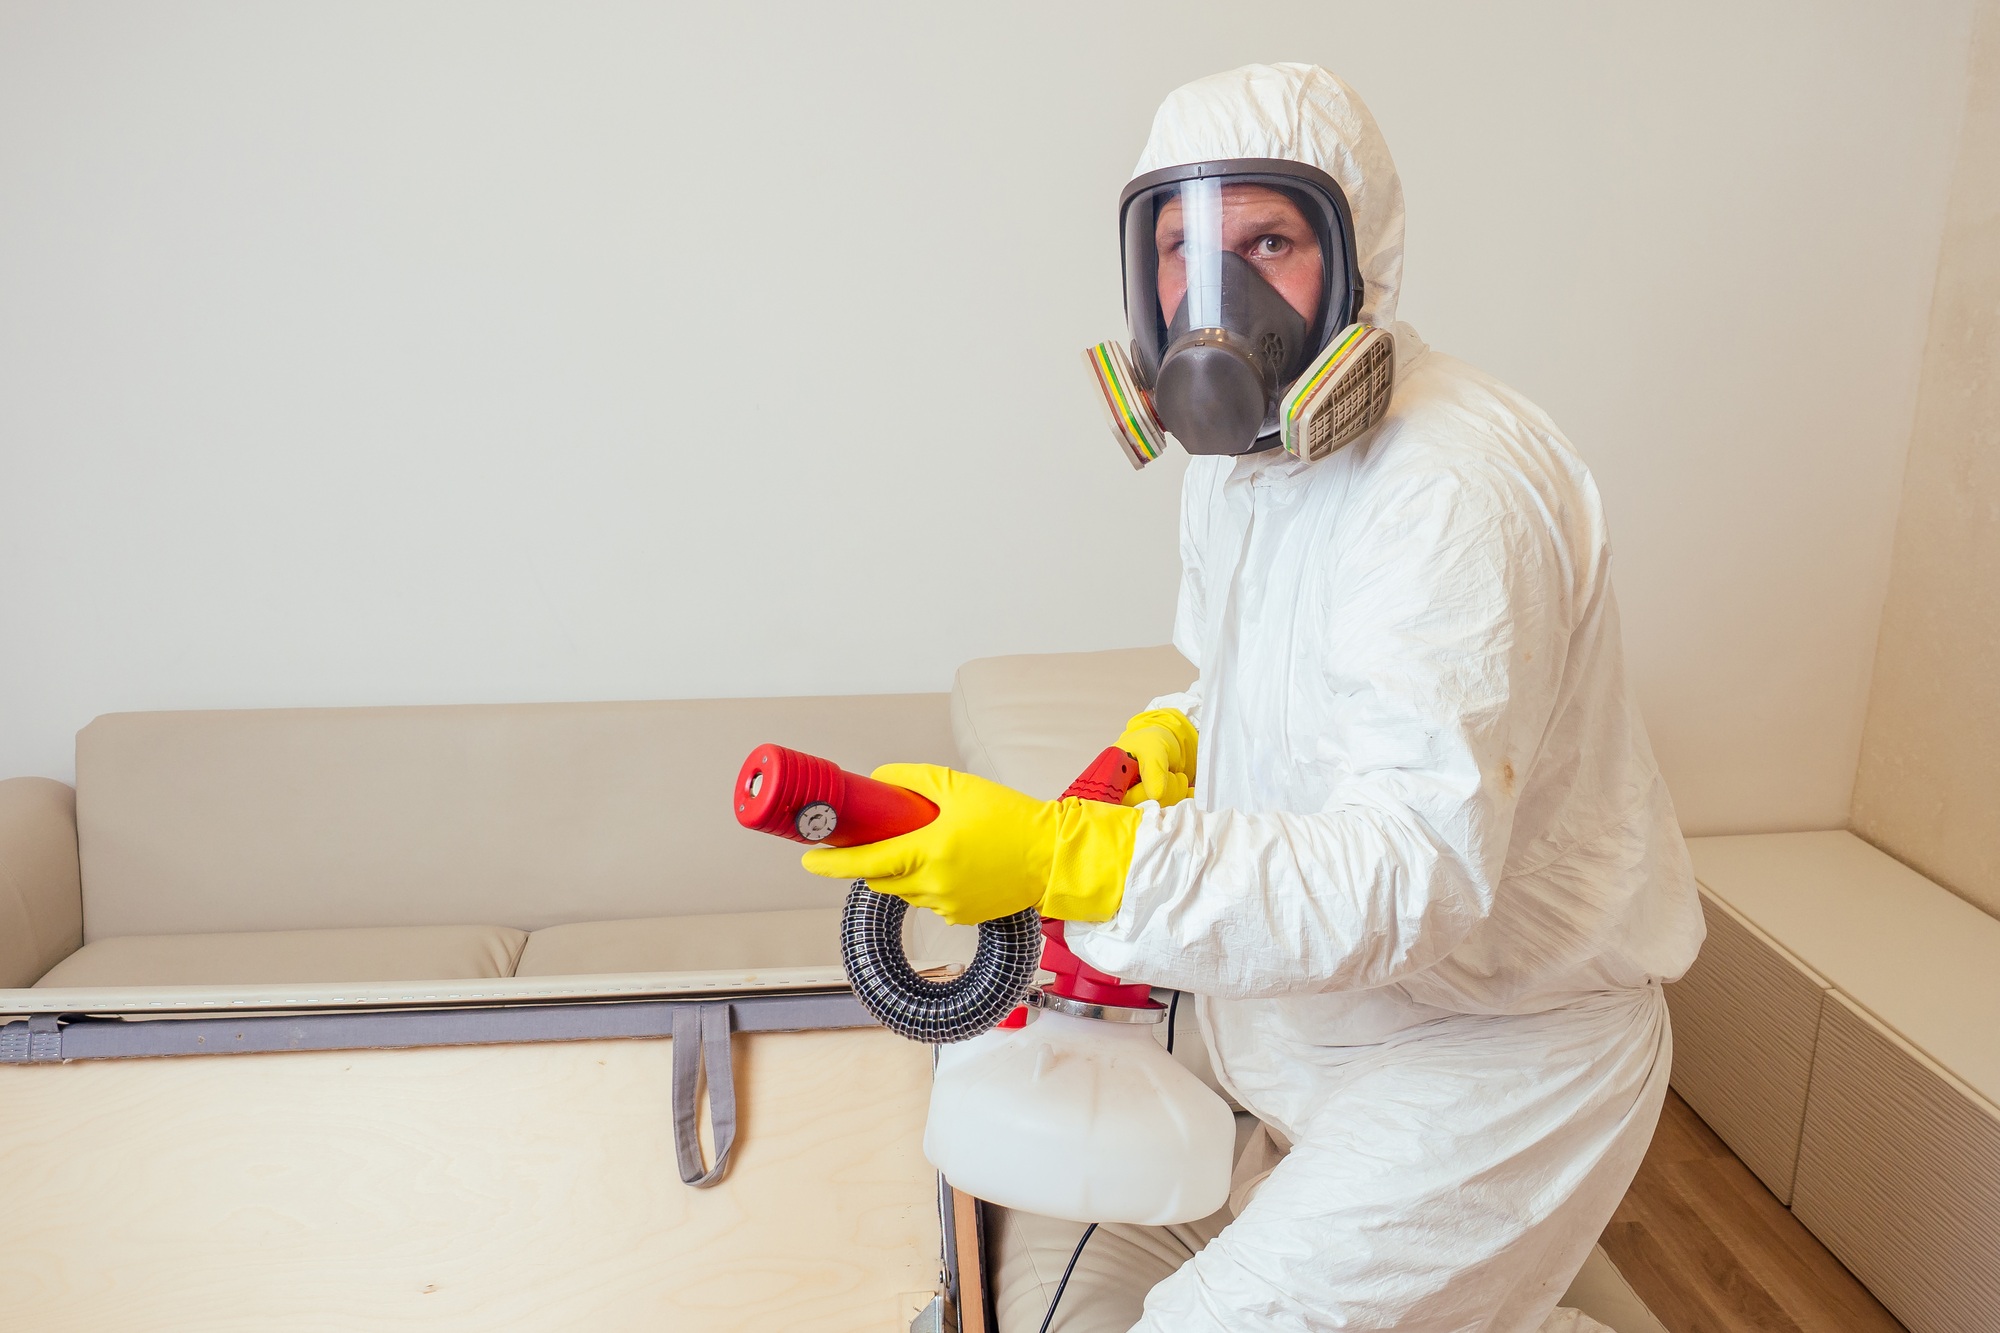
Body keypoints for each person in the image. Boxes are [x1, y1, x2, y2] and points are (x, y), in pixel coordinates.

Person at [805, 62, 1704, 1332]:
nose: (1211, 296)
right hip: (1307, 1021)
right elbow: (1242, 666)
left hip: (1493, 1058)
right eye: (1181, 247)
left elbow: (1406, 876)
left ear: (1354, 259)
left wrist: (1077, 863)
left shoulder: (1449, 492)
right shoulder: (1242, 467)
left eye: (1264, 240)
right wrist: (1178, 731)